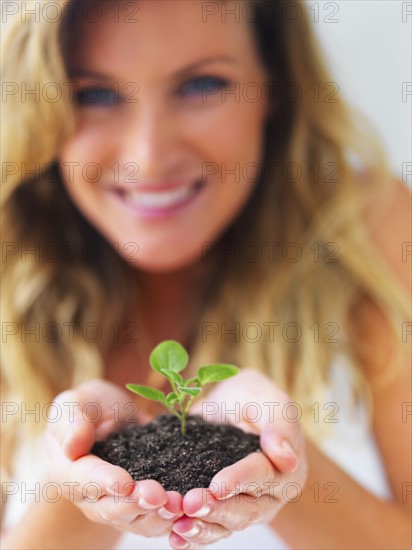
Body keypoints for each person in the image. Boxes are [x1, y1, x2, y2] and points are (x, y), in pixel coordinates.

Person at [1, 1, 411, 548]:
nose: (148, 158)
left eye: (201, 86)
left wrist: (281, 470)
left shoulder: (370, 231)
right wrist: (77, 484)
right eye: (94, 93)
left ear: (274, 83)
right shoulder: (10, 269)